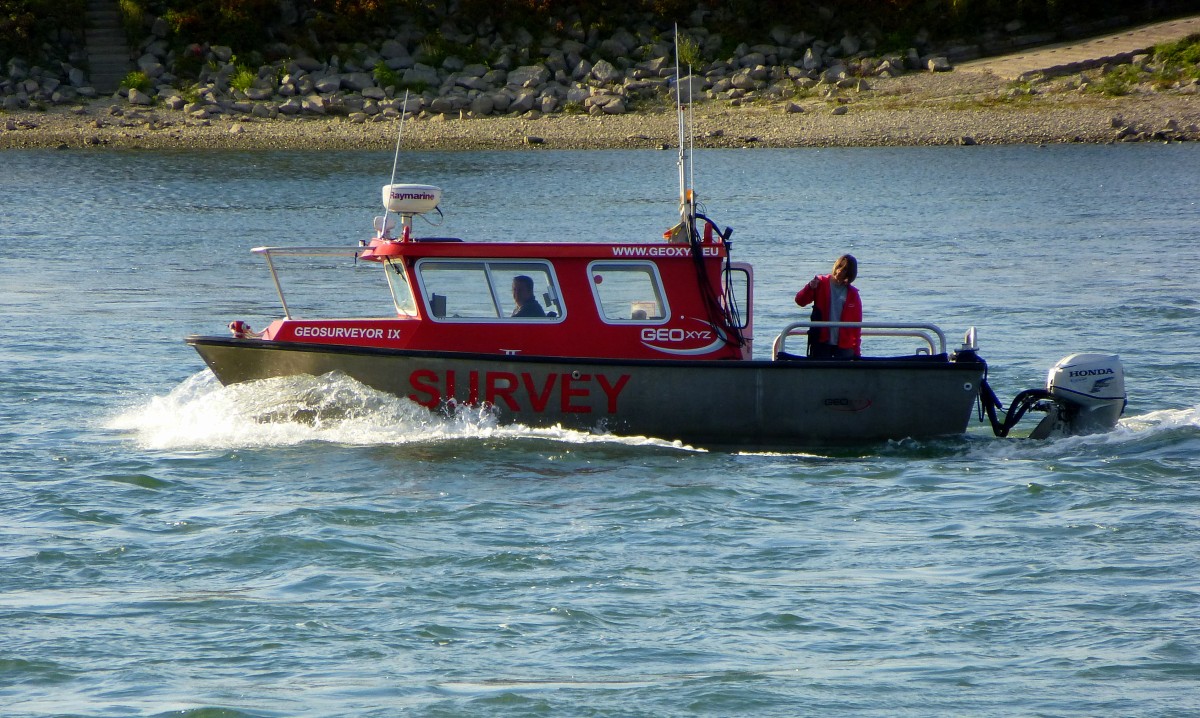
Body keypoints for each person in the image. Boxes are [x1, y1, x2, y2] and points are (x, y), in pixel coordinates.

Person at [795, 254, 861, 359]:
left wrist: (856, 352)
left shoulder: (853, 294)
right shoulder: (820, 282)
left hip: (844, 345)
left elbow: (856, 326)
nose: (840, 272)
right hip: (821, 341)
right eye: (839, 267)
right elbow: (800, 301)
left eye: (845, 271)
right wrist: (809, 288)